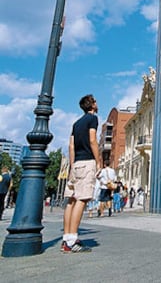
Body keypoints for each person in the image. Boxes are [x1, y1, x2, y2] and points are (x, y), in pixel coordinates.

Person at [62, 94, 100, 252]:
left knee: (71, 200)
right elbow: (92, 140)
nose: (97, 103)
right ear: (91, 105)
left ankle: (66, 239)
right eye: (96, 101)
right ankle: (72, 241)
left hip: (76, 163)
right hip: (87, 161)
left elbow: (71, 146)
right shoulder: (93, 119)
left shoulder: (76, 123)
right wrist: (98, 161)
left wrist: (72, 166)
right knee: (82, 199)